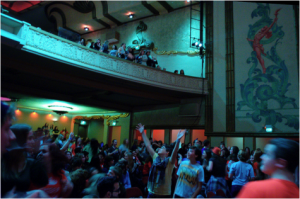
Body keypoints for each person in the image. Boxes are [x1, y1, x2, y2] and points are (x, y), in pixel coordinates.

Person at [136, 123, 185, 197]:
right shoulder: (156, 158)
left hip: (164, 194)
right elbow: (148, 145)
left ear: (167, 153)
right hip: (151, 192)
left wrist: (178, 141)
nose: (159, 148)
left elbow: (174, 152)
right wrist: (143, 132)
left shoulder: (169, 162)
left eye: (162, 148)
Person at [1, 124, 49, 197]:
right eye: (30, 138)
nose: (33, 142)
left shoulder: (30, 163)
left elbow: (43, 182)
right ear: (19, 140)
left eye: (33, 138)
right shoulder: (3, 159)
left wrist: (37, 154)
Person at [246, 9, 280, 74]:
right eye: (263, 27)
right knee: (258, 57)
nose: (262, 27)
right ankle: (264, 66)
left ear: (265, 30)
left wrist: (274, 21)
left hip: (256, 46)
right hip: (255, 45)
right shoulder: (259, 33)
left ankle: (264, 68)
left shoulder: (262, 34)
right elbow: (255, 40)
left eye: (264, 27)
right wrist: (250, 40)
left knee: (259, 57)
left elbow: (269, 27)